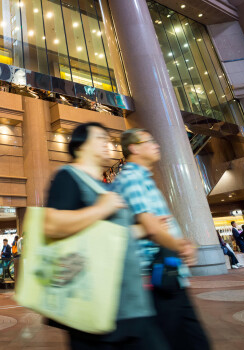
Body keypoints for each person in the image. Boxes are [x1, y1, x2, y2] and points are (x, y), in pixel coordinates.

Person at [44, 123, 168, 349]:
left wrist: (144, 230)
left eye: (107, 138)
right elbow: (51, 225)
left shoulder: (106, 187)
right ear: (80, 146)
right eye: (100, 137)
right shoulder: (68, 177)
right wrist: (100, 209)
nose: (107, 143)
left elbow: (110, 236)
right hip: (94, 309)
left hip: (132, 303)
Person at [112, 128, 210, 350]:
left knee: (190, 339)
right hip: (155, 278)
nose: (156, 144)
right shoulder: (131, 179)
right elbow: (152, 227)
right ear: (134, 148)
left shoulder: (144, 179)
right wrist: (182, 246)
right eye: (149, 140)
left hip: (168, 273)